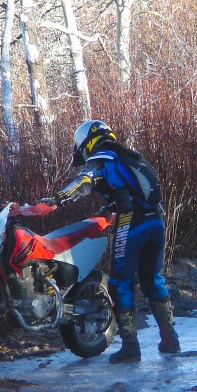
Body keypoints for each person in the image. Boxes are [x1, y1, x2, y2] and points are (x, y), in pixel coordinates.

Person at [50, 120, 181, 362]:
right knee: (153, 280)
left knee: (120, 282)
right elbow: (134, 191)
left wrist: (56, 200)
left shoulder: (101, 157)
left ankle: (130, 348)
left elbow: (84, 182)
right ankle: (171, 340)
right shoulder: (130, 156)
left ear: (86, 142)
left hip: (131, 223)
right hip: (157, 221)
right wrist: (111, 204)